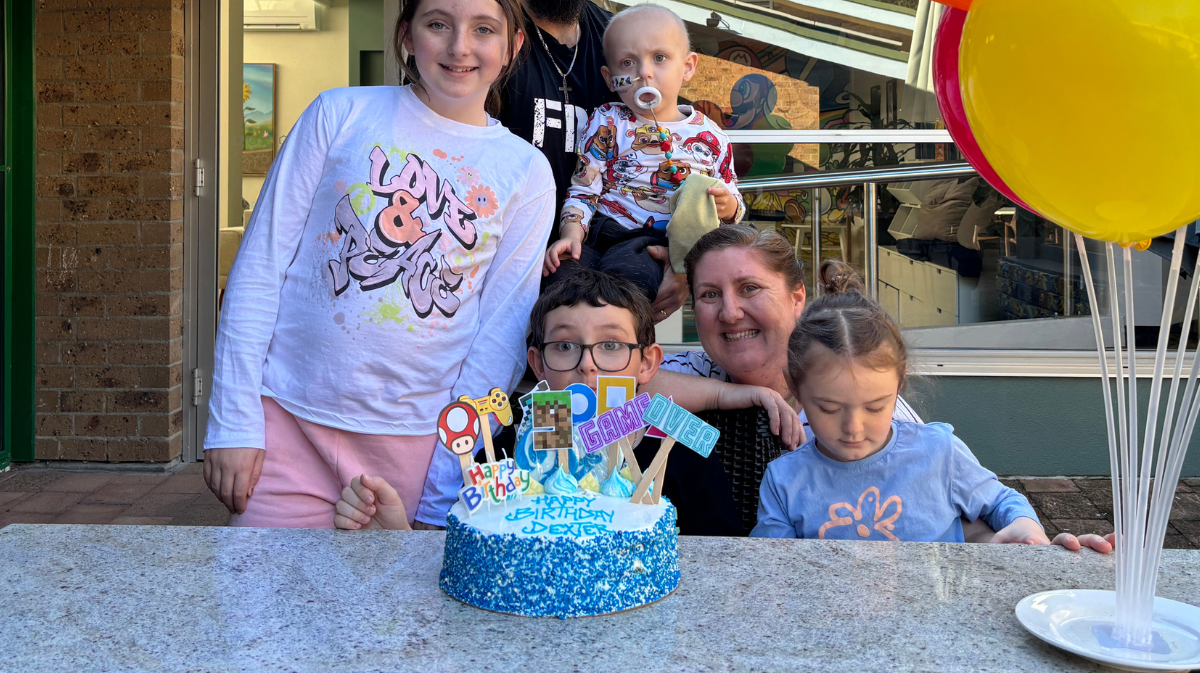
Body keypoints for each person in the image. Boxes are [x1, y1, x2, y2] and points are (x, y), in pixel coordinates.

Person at [203, 0, 555, 528]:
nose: (459, 46)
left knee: (399, 618)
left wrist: (450, 477)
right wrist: (234, 419)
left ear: (512, 47)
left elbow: (500, 338)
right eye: (438, 23)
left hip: (419, 446)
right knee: (257, 608)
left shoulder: (526, 172)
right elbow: (260, 265)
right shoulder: (338, 113)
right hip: (286, 424)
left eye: (484, 29)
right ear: (406, 36)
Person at [657, 223, 1115, 551]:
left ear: (798, 297)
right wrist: (729, 396)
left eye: (750, 287)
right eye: (710, 294)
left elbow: (949, 516)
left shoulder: (884, 415)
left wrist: (1029, 544)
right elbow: (604, 417)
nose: (730, 312)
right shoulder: (691, 373)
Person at [333, 268, 800, 533]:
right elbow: (475, 539)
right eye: (564, 346)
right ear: (537, 364)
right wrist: (393, 537)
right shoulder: (510, 440)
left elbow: (718, 559)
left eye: (612, 345)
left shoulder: (677, 444)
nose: (588, 365)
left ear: (647, 363)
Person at [498, 0, 689, 324]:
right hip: (482, 309)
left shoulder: (622, 48)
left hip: (599, 326)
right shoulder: (477, 40)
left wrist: (685, 260)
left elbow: (674, 157)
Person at [751, 260, 1048, 543]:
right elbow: (775, 569)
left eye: (875, 406)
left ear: (899, 383)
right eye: (829, 408)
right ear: (794, 388)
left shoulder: (939, 452)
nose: (853, 428)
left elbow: (1000, 501)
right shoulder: (785, 482)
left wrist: (1025, 526)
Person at [544, 5, 745, 300]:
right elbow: (584, 188)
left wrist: (728, 207)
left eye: (659, 58)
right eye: (627, 63)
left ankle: (618, 343)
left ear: (688, 67)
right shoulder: (608, 120)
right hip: (600, 231)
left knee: (630, 285)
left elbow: (734, 199)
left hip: (651, 245)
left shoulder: (711, 136)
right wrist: (571, 236)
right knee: (560, 281)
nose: (644, 73)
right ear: (610, 78)